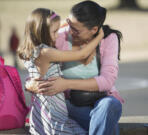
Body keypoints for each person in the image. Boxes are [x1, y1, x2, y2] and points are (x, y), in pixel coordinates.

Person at [26, 1, 124, 135]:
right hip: (69, 106)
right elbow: (37, 64)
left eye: (76, 29)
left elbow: (107, 80)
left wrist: (66, 83)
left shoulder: (108, 39)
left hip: (100, 102)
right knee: (107, 125)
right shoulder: (59, 35)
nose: (69, 31)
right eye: (69, 24)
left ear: (94, 29)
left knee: (111, 106)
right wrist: (30, 84)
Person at [17, 8, 104, 135]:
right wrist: (99, 36)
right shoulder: (46, 52)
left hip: (43, 111)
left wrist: (67, 23)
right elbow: (82, 54)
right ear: (42, 32)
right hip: (53, 114)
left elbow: (48, 25)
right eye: (54, 32)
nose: (57, 35)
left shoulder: (30, 51)